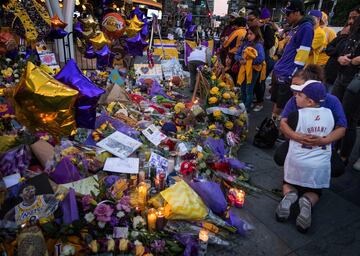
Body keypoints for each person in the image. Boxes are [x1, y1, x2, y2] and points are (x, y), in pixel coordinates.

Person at [276, 80, 335, 232]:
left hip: (298, 161)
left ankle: (289, 195)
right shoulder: (329, 114)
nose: (295, 96)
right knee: (315, 191)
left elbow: (284, 126)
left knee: (288, 182)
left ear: (309, 101)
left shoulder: (296, 115)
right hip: (319, 164)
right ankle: (308, 201)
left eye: (299, 94)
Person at [274, 65, 347, 177]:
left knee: (337, 168)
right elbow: (283, 123)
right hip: (298, 144)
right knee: (279, 157)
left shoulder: (332, 101)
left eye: (297, 86)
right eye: (292, 85)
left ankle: (315, 180)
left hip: (322, 148)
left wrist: (324, 140)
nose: (293, 89)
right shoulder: (295, 99)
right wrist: (297, 137)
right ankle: (291, 176)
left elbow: (342, 128)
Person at [271, 0, 314, 120]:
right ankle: (271, 127)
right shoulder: (296, 27)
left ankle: (278, 131)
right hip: (281, 70)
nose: (286, 17)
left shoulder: (306, 28)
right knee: (276, 103)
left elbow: (302, 55)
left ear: (297, 13)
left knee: (283, 106)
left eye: (288, 14)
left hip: (287, 74)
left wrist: (292, 76)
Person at [332, 16, 360, 165]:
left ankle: (343, 156)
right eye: (350, 17)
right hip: (342, 75)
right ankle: (333, 148)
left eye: (353, 18)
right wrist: (340, 57)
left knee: (349, 119)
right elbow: (337, 49)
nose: (350, 20)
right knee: (335, 113)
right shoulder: (353, 29)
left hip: (356, 82)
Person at [235, 26, 265, 112]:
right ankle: (243, 106)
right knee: (243, 89)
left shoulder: (258, 45)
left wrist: (249, 62)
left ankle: (246, 108)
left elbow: (261, 58)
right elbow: (237, 54)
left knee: (249, 90)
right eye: (248, 34)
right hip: (243, 70)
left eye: (251, 34)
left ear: (256, 34)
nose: (249, 36)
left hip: (253, 71)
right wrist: (240, 59)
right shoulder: (245, 44)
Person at [253, 8, 277, 112]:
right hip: (257, 58)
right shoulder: (254, 28)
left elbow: (270, 43)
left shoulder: (267, 28)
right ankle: (257, 98)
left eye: (252, 19)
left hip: (266, 59)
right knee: (255, 80)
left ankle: (260, 102)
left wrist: (259, 43)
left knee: (260, 81)